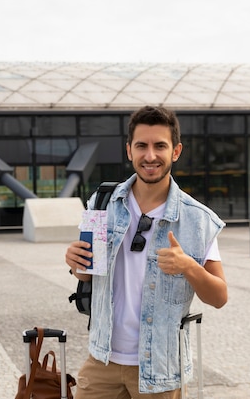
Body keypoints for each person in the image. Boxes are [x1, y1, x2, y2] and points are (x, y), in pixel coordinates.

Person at [65, 105, 227, 398]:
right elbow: (87, 274)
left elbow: (219, 297)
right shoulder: (102, 204)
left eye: (160, 146)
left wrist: (189, 266)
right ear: (129, 150)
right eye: (142, 146)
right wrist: (77, 264)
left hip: (161, 371)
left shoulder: (197, 220)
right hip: (102, 361)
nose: (150, 156)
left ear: (176, 151)